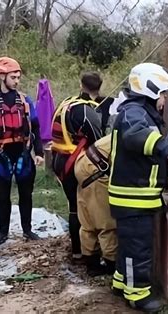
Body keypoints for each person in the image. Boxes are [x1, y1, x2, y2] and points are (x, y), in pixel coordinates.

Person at [109, 63, 168, 312]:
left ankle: (121, 281)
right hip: (133, 197)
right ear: (151, 90)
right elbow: (137, 138)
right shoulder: (133, 114)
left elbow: (144, 153)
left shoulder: (139, 112)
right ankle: (137, 293)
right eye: (163, 94)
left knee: (131, 245)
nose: (165, 100)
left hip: (137, 195)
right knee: (138, 248)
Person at [0, 57, 44, 246]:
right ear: (2, 76)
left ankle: (27, 230)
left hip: (23, 155)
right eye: (13, 77)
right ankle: (3, 233)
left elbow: (35, 127)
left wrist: (39, 152)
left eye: (18, 77)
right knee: (3, 197)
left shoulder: (24, 100)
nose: (17, 81)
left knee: (26, 195)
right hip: (2, 157)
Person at [51, 72, 103, 262]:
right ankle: (84, 251)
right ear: (100, 86)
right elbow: (98, 142)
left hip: (59, 159)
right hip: (76, 162)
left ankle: (77, 250)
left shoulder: (67, 103)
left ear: (80, 85)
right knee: (81, 207)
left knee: (73, 205)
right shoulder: (87, 112)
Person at [74, 134, 117, 277]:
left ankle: (91, 263)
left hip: (84, 163)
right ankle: (112, 265)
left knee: (88, 222)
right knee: (107, 223)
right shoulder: (139, 136)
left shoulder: (124, 129)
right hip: (96, 169)